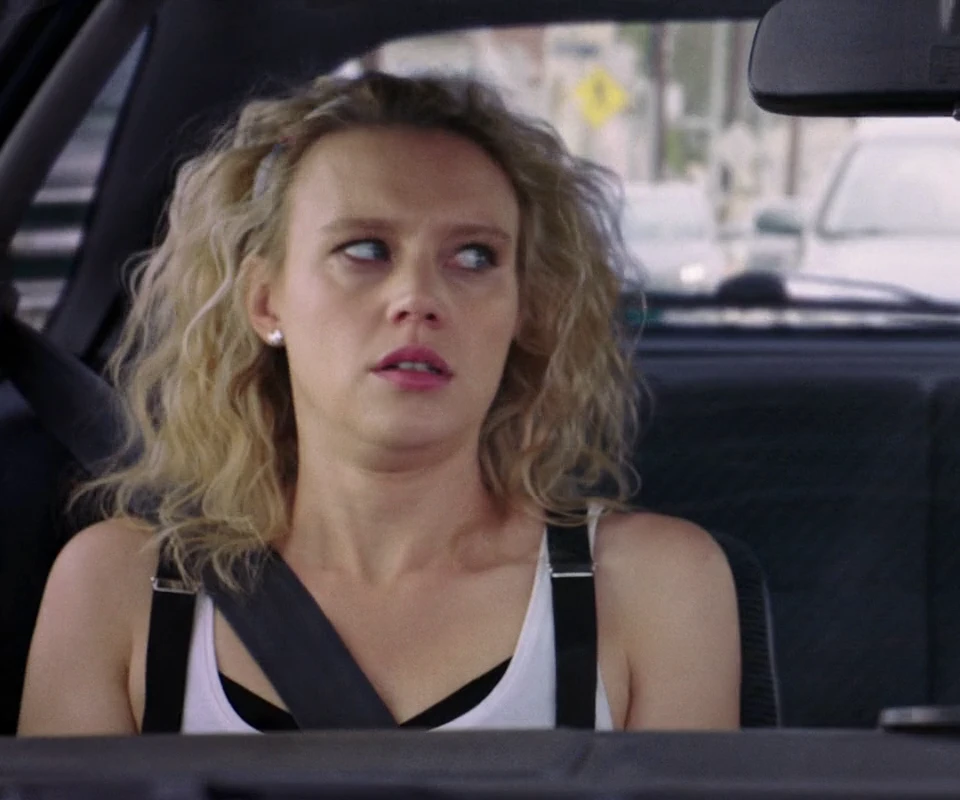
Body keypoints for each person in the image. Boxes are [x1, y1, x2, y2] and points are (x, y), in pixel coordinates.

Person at [18, 72, 740, 734]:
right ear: (266, 302)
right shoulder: (119, 590)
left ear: (524, 311)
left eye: (474, 257)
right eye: (364, 250)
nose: (418, 298)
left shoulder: (651, 588)